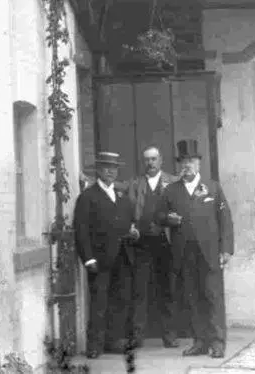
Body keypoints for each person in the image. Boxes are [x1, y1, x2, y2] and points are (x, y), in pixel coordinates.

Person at [158, 139, 234, 360]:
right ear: (179, 164)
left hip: (209, 254)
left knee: (212, 297)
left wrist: (226, 249)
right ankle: (200, 341)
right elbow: (158, 215)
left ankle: (218, 343)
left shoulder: (213, 187)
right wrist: (168, 219)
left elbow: (225, 220)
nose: (187, 165)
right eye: (183, 161)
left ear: (199, 163)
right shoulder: (171, 191)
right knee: (192, 299)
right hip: (184, 254)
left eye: (191, 160)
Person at [73, 151, 139, 358]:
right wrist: (88, 258)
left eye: (114, 168)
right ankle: (95, 345)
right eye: (106, 167)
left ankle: (113, 340)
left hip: (122, 257)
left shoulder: (122, 197)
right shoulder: (87, 197)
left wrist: (132, 232)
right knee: (99, 301)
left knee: (120, 300)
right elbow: (81, 230)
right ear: (98, 170)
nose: (110, 171)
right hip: (100, 260)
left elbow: (126, 225)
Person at [127, 145, 179, 348]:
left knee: (167, 290)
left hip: (165, 243)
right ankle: (137, 336)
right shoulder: (136, 184)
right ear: (144, 162)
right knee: (140, 291)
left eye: (154, 159)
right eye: (147, 159)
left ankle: (170, 336)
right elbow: (125, 202)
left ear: (161, 160)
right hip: (142, 243)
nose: (150, 163)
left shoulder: (173, 182)